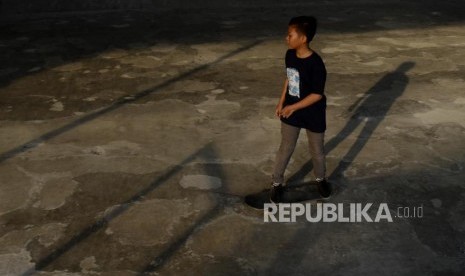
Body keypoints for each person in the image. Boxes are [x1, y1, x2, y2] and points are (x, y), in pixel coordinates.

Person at [271, 16, 331, 203]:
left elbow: (317, 95)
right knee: (285, 148)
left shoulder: (316, 64)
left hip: (313, 112)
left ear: (303, 39)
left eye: (290, 35)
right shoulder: (289, 55)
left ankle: (320, 179)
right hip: (291, 110)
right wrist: (281, 102)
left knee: (317, 151)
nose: (286, 38)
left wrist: (292, 107)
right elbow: (289, 79)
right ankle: (277, 183)